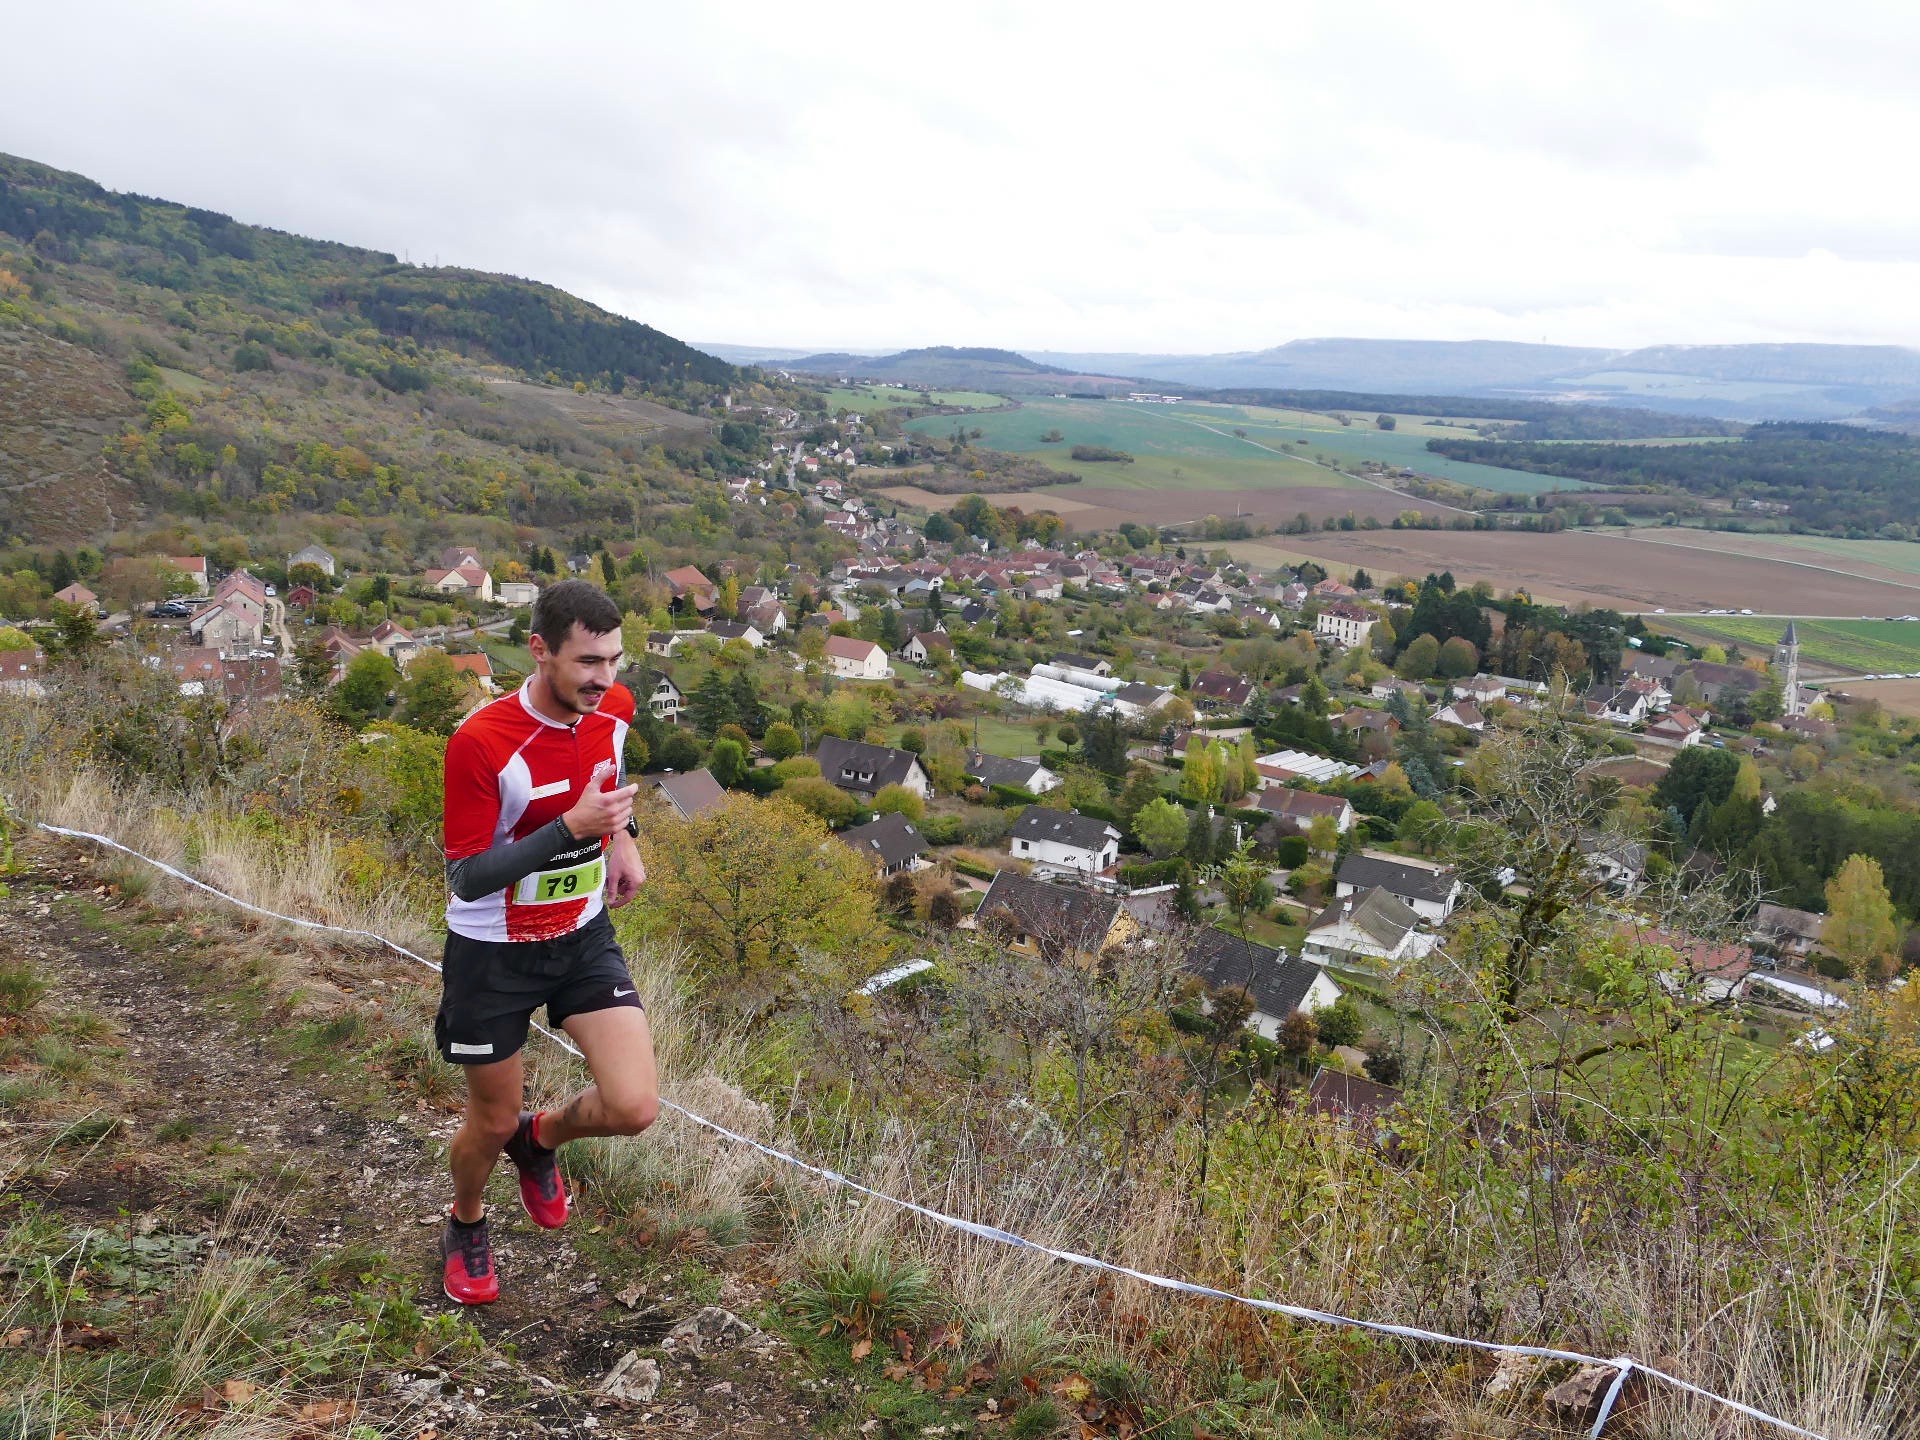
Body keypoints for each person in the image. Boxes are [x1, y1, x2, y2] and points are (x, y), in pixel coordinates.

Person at [434, 579, 658, 1304]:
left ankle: (543, 1140)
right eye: (589, 661)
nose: (605, 679)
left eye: (616, 660)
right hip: (494, 950)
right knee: (490, 1120)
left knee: (633, 1107)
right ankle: (466, 1220)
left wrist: (620, 839)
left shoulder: (614, 708)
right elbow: (467, 877)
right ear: (539, 650)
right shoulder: (480, 741)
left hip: (581, 933)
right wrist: (572, 831)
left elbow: (606, 779)